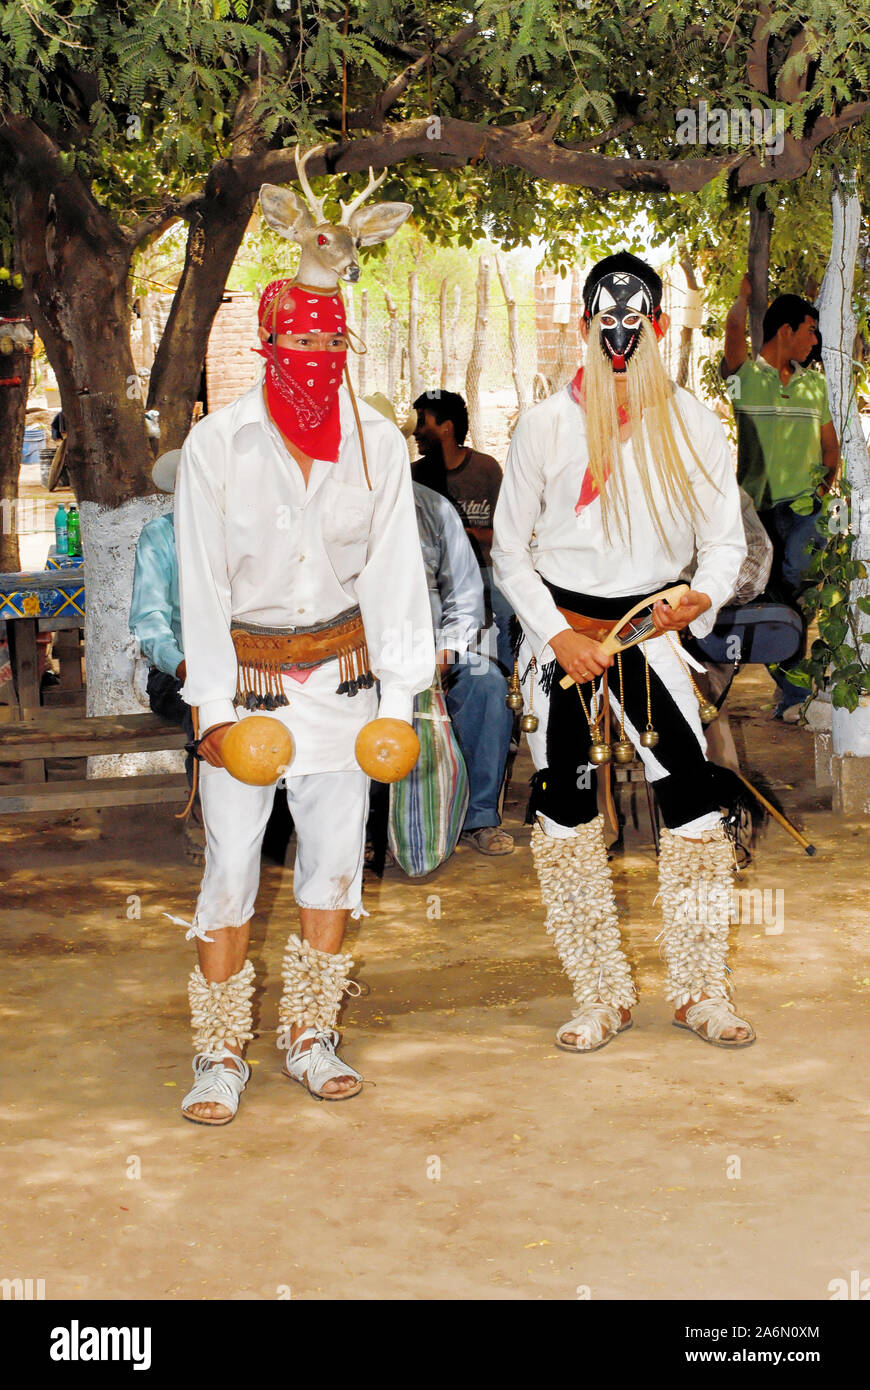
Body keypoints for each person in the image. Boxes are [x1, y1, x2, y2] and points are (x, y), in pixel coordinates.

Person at [171, 278, 433, 1124]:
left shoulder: (377, 445)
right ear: (268, 349)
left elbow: (396, 577)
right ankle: (217, 1050)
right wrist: (210, 715)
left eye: (332, 349)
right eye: (302, 348)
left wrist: (399, 697)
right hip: (245, 688)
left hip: (344, 685)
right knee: (232, 865)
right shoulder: (217, 446)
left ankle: (310, 1036)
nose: (318, 365)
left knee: (333, 864)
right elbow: (199, 587)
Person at [493, 251, 753, 1054]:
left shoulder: (694, 423)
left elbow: (724, 543)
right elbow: (508, 553)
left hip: (651, 633)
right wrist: (559, 636)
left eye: (635, 322)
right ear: (582, 324)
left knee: (698, 806)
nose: (619, 336)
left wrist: (700, 596)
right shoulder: (542, 425)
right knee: (565, 816)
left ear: (661, 328)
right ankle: (599, 992)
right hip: (563, 635)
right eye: (604, 320)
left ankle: (700, 990)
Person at [722, 279, 840, 719]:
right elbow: (734, 342)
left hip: (807, 509)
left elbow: (831, 448)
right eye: (810, 330)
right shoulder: (745, 381)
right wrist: (741, 303)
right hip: (757, 514)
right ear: (785, 330)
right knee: (777, 605)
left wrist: (823, 488)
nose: (815, 341)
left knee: (795, 585)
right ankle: (795, 698)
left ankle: (796, 694)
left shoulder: (817, 387)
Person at [414, 480, 515, 855]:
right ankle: (375, 826)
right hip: (360, 659)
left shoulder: (432, 508)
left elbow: (466, 595)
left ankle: (479, 816)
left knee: (487, 685)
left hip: (434, 650)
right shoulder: (333, 504)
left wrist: (446, 652)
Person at [129, 450, 204, 862]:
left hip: (236, 666)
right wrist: (182, 664)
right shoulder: (159, 536)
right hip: (173, 671)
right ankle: (202, 820)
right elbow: (148, 619)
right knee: (205, 708)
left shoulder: (242, 532)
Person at [412, 389, 514, 674]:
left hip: (486, 570)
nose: (416, 432)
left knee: (507, 615)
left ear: (447, 427)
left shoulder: (486, 469)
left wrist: (460, 533)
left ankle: (506, 684)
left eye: (423, 422)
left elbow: (506, 535)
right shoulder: (413, 477)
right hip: (436, 577)